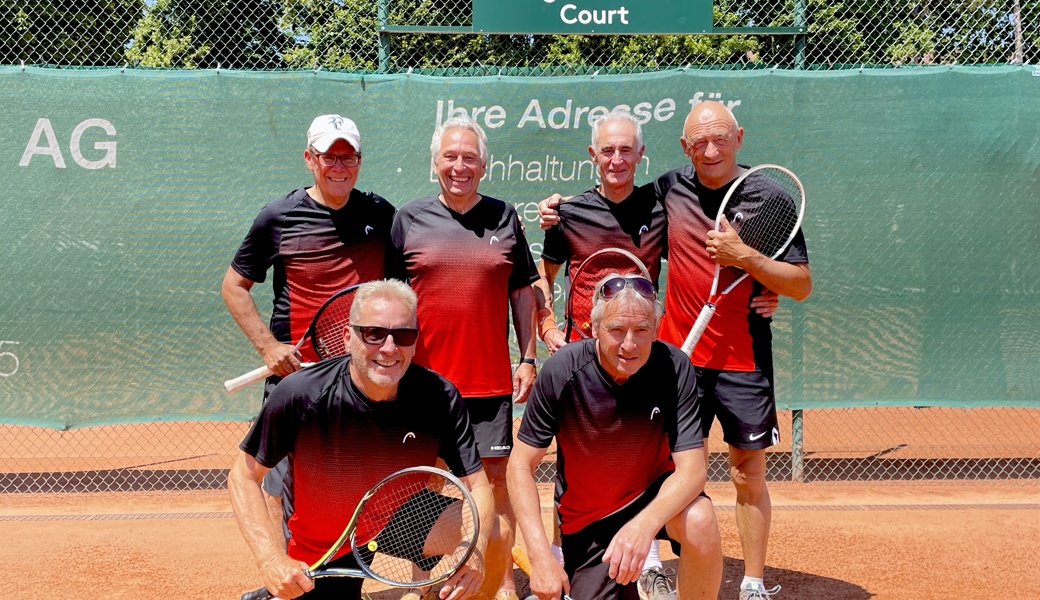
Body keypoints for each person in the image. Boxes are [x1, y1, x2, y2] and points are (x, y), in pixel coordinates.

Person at [539, 102, 812, 600]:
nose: (711, 150)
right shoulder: (668, 189)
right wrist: (554, 214)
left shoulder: (770, 198)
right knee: (653, 468)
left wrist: (749, 262)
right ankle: (653, 565)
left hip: (742, 360)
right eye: (699, 142)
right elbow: (594, 233)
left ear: (740, 137)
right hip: (671, 360)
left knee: (746, 470)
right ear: (684, 148)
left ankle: (751, 581)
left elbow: (801, 284)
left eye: (721, 138)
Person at [229, 280, 494, 600]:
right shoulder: (300, 394)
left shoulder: (440, 397)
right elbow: (243, 476)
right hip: (323, 546)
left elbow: (477, 485)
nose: (389, 348)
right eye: (374, 334)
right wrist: (271, 560)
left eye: (403, 336)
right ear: (347, 338)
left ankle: (420, 592)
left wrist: (475, 551)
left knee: (495, 532)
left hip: (393, 518)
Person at [222, 114, 396, 541]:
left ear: (359, 161)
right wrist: (268, 347)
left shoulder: (381, 214)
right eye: (329, 156)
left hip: (362, 378)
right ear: (309, 159)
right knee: (282, 488)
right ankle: (287, 575)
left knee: (354, 481)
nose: (339, 166)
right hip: (297, 378)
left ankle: (343, 576)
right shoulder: (278, 216)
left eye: (348, 156)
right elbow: (234, 286)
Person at [389, 115, 539, 600]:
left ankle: (498, 582)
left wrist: (528, 357)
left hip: (490, 385)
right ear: (435, 163)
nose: (459, 166)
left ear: (484, 165)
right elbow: (389, 298)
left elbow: (522, 291)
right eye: (450, 157)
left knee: (495, 486)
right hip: (422, 386)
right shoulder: (408, 219)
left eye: (469, 158)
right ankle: (424, 582)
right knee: (424, 483)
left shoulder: (505, 217)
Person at [508, 275, 723, 600]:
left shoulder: (675, 367)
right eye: (616, 330)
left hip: (654, 500)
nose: (629, 345)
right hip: (591, 521)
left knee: (700, 519)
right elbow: (520, 465)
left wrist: (643, 526)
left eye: (641, 331)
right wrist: (540, 557)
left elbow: (693, 471)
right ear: (594, 328)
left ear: (655, 328)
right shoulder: (561, 371)